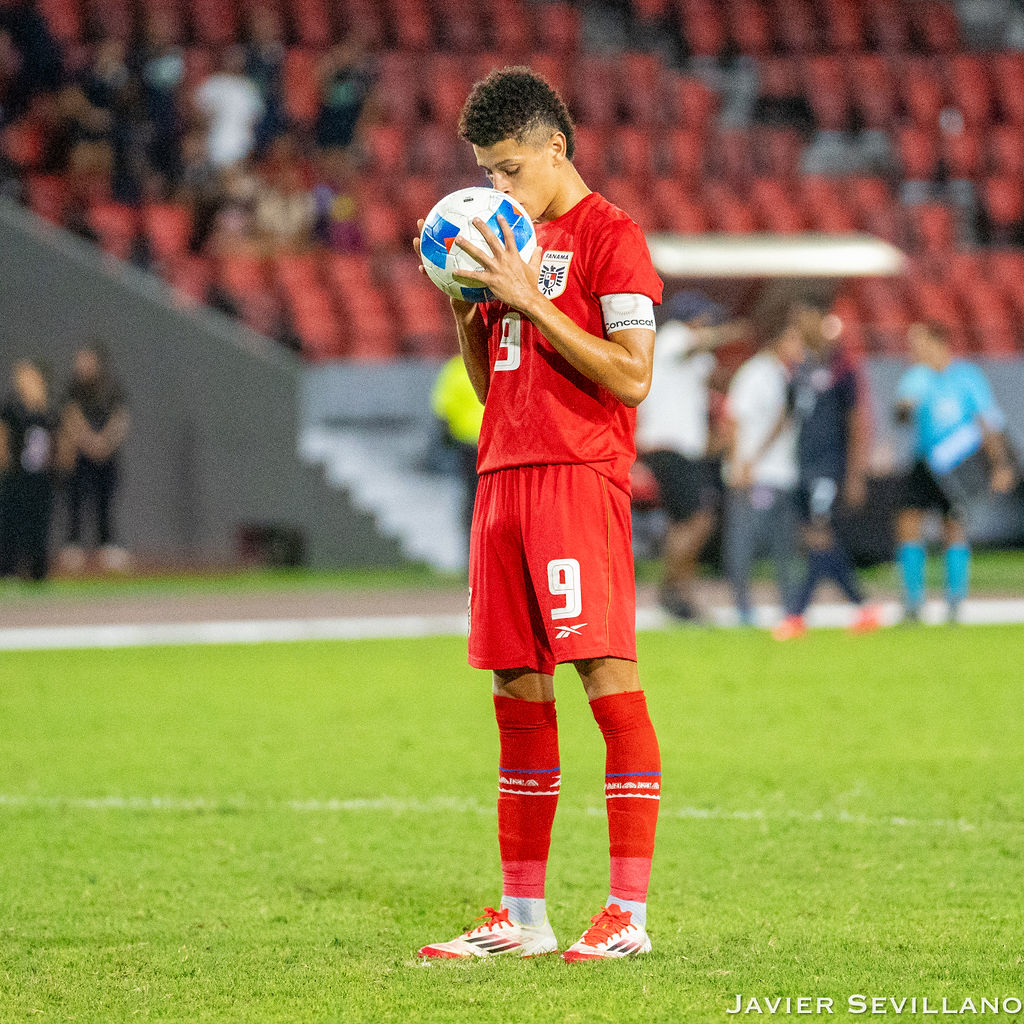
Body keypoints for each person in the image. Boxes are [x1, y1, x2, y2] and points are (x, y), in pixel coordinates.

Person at [412, 66, 663, 962]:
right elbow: (491, 392)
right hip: (502, 480)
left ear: (556, 146)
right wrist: (464, 309)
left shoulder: (612, 238)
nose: (496, 188)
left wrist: (530, 298)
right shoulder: (505, 240)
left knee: (606, 682)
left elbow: (633, 375)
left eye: (510, 168)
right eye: (486, 171)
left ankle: (626, 915)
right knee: (517, 694)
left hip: (576, 476)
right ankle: (523, 919)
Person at [772, 298, 882, 640]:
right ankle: (863, 607)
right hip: (802, 467)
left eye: (801, 318)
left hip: (828, 467)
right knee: (817, 542)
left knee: (819, 538)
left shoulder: (841, 366)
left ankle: (795, 614)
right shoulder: (800, 367)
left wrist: (855, 473)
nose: (797, 326)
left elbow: (856, 421)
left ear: (818, 320)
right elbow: (789, 416)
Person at [894, 321, 1015, 622]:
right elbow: (900, 415)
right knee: (908, 524)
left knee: (954, 528)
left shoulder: (966, 376)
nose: (913, 349)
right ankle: (913, 600)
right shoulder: (916, 377)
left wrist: (1000, 464)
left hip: (959, 464)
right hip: (925, 462)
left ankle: (954, 600)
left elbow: (988, 422)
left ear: (938, 342)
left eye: (919, 341)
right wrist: (905, 407)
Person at [636, 291, 744, 621]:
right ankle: (673, 590)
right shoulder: (671, 337)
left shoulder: (694, 357)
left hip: (678, 447)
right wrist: (734, 331)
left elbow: (713, 377)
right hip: (669, 444)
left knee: (683, 522)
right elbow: (694, 346)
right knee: (698, 519)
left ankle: (678, 591)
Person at [722, 313, 805, 626]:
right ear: (780, 340)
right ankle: (743, 608)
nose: (801, 348)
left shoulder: (782, 375)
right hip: (756, 474)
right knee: (745, 542)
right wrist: (741, 462)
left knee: (784, 546)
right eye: (795, 340)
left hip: (780, 473)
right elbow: (733, 418)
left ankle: (788, 610)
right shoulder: (756, 372)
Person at [60, 344, 131, 572]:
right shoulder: (73, 387)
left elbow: (121, 418)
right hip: (81, 456)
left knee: (105, 502)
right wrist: (89, 441)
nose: (82, 365)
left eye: (87, 359)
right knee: (76, 501)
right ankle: (73, 545)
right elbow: (70, 415)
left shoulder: (111, 387)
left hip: (107, 456)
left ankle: (107, 544)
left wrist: (104, 442)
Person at [0, 359, 62, 580]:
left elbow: (58, 441)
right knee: (10, 523)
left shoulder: (50, 408)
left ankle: (37, 572)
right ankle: (8, 571)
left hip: (41, 478)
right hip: (16, 474)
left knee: (38, 525)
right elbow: (4, 437)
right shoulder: (12, 407)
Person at [430, 354, 483, 563]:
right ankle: (475, 556)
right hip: (487, 445)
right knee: (482, 503)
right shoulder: (496, 359)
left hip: (468, 445)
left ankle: (471, 558)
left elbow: (442, 409)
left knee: (471, 503)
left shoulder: (454, 369)